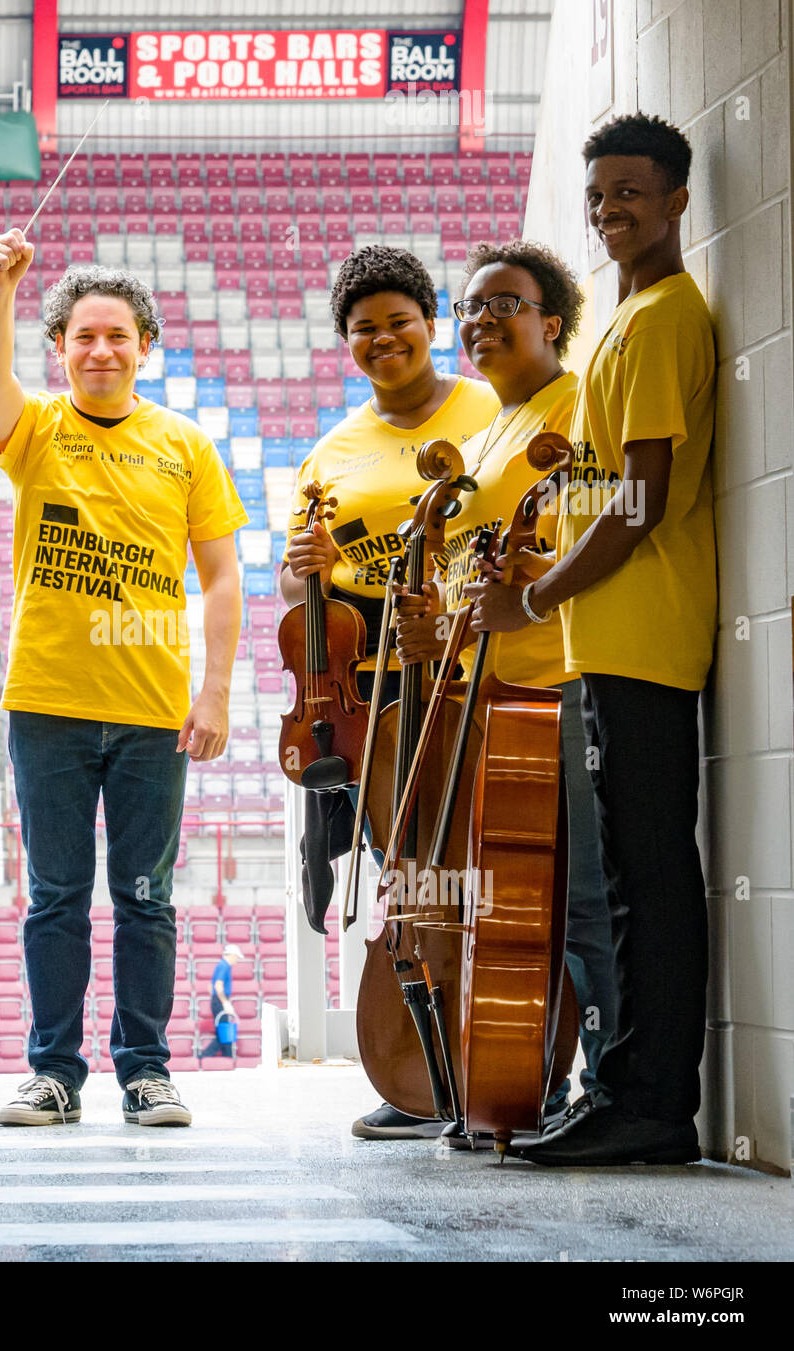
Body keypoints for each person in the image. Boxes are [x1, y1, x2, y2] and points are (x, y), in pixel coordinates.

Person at [472, 114, 715, 1166]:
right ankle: (625, 1088)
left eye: (630, 192)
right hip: (608, 636)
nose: (610, 209)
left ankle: (652, 1104)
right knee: (626, 873)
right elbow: (601, 497)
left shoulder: (663, 317)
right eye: (597, 194)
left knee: (647, 879)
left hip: (645, 638)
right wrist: (539, 579)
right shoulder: (626, 319)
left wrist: (527, 607)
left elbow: (640, 503)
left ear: (675, 202)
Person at [0, 236, 246, 1127]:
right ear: (61, 348)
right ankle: (53, 1071)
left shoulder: (185, 445)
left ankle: (146, 1071)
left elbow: (221, 575)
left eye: (117, 335)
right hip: (47, 701)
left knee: (144, 896)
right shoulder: (39, 428)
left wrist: (214, 693)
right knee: (55, 895)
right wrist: (1, 288)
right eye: (83, 336)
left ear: (144, 345)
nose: (100, 350)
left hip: (151, 708)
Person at [394, 240, 616, 1148]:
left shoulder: (576, 405)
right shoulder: (488, 431)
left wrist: (519, 577)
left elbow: (587, 535)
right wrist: (432, 625)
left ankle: (607, 1086)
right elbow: (472, 576)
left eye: (503, 305)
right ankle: (530, 1083)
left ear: (550, 321)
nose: (480, 321)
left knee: (588, 902)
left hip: (554, 684)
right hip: (487, 697)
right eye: (470, 309)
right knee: (527, 909)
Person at [279, 245, 498, 1140]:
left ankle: (509, 1063)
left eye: (399, 320)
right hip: (380, 702)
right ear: (346, 342)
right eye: (363, 327)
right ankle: (417, 1073)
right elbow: (302, 595)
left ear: (431, 322)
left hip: (478, 672)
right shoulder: (332, 451)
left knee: (486, 876)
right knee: (411, 880)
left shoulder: (490, 409)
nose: (383, 338)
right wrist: (308, 571)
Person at [197, 945, 244, 1059]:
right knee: (224, 1033)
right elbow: (218, 986)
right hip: (220, 1001)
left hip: (217, 1000)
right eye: (236, 957)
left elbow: (211, 986)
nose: (237, 960)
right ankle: (204, 1057)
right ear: (232, 955)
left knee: (223, 1032)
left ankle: (227, 1058)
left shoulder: (222, 965)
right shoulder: (224, 966)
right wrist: (225, 1002)